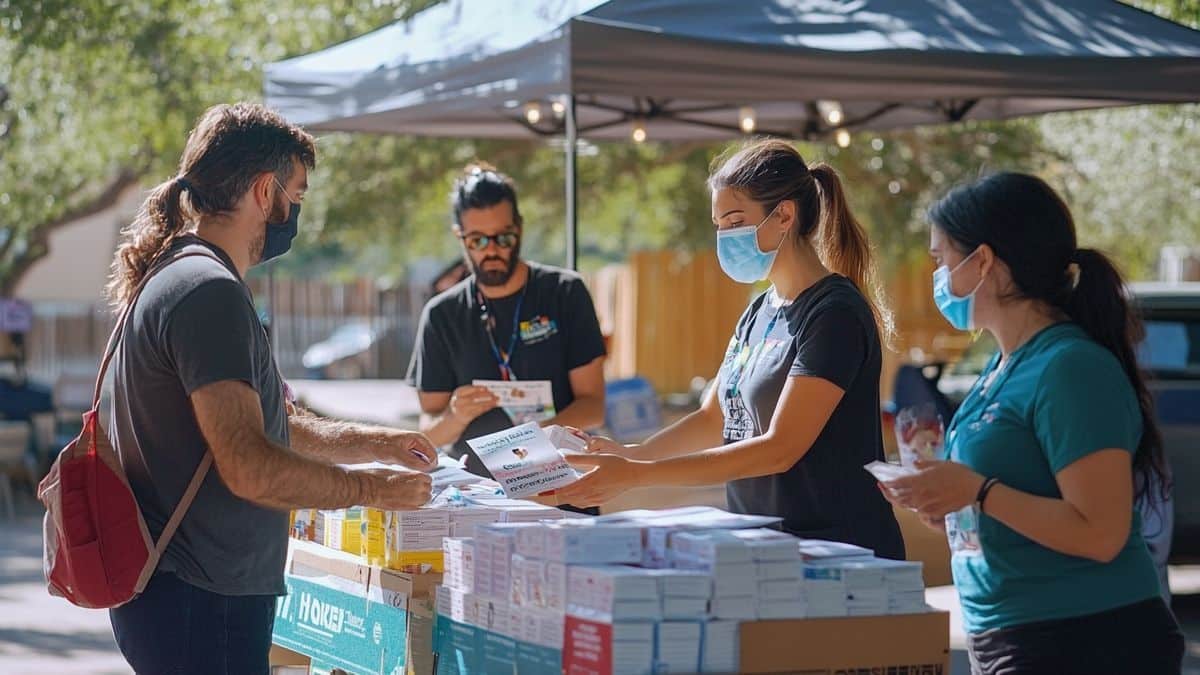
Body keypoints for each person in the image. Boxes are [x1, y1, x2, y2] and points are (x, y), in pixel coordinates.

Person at [105, 103, 435, 674]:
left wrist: (375, 442)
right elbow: (251, 464)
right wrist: (372, 490)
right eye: (298, 194)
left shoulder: (186, 273)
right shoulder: (207, 291)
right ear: (265, 192)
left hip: (192, 595)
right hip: (200, 600)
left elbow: (260, 424)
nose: (296, 211)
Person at [880, 173, 1183, 674]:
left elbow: (1100, 533)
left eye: (941, 260)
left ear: (983, 262)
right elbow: (1007, 497)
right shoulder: (1000, 366)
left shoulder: (1070, 367)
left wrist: (977, 492)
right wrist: (949, 504)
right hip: (1012, 636)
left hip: (1087, 639)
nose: (937, 277)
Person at [554, 139, 905, 560]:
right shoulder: (759, 310)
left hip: (841, 554)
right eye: (719, 224)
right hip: (769, 548)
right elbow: (713, 416)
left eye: (735, 221)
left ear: (785, 216)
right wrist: (631, 454)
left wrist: (639, 474)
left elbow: (780, 448)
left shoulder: (834, 314)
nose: (725, 237)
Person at [408, 162, 607, 479]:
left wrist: (532, 443)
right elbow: (429, 432)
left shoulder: (565, 292)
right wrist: (455, 416)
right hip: (476, 492)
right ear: (460, 237)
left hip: (561, 483)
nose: (492, 251)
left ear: (520, 228)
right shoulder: (441, 315)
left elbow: (593, 404)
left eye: (503, 238)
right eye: (477, 241)